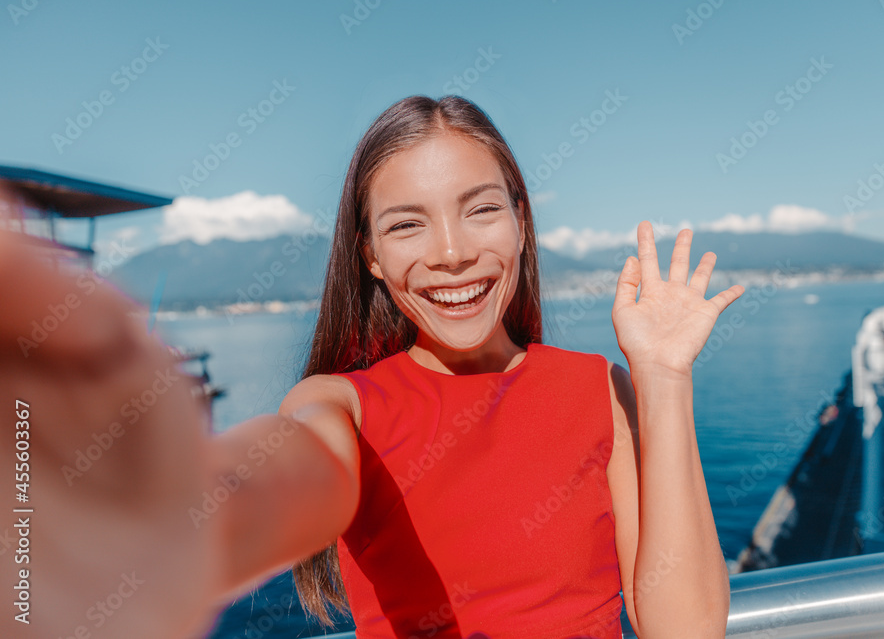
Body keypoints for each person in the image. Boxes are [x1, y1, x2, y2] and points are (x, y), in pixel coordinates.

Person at [0, 95, 742, 639]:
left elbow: (685, 629)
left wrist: (664, 376)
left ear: (521, 219)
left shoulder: (600, 387)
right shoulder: (342, 406)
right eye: (406, 223)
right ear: (372, 258)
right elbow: (280, 481)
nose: (451, 250)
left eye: (481, 209)